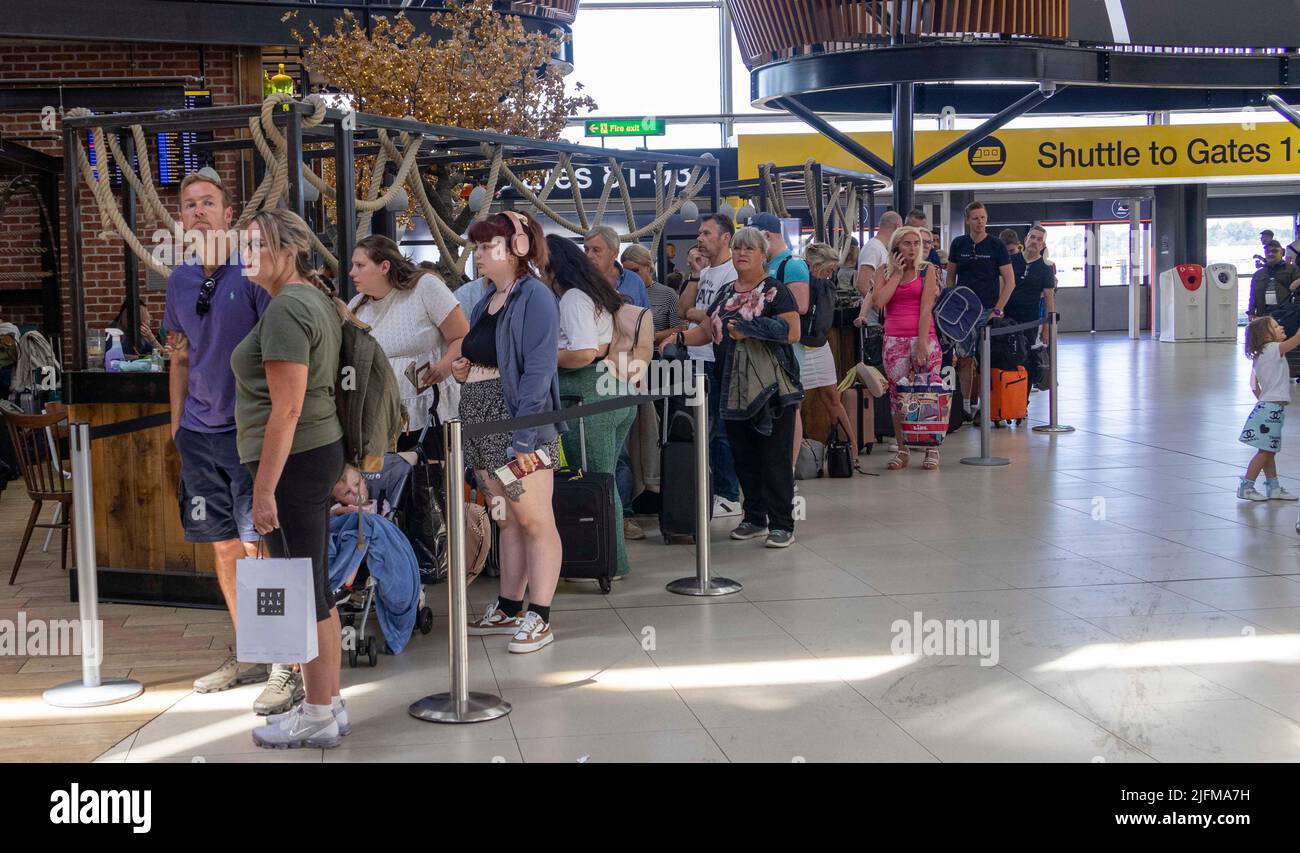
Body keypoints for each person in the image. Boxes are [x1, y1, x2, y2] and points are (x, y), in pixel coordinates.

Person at [162, 171, 287, 713]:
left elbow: (279, 354)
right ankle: (252, 650)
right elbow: (180, 355)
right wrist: (176, 424)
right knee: (224, 547)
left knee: (261, 547)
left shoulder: (254, 271)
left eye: (207, 202)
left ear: (227, 213)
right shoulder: (179, 281)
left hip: (249, 434)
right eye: (189, 205)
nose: (197, 212)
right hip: (199, 435)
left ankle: (285, 663)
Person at [233, 209, 347, 749]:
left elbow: (286, 410)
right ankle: (329, 703)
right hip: (313, 454)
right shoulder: (310, 300)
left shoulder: (287, 309)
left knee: (305, 593)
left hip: (294, 460)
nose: (245, 254)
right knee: (312, 585)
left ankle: (319, 712)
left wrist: (262, 491)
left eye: (255, 244)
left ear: (287, 248)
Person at [458, 211, 564, 654]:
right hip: (483, 420)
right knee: (509, 520)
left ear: (516, 247)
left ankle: (539, 615)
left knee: (535, 520)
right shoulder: (490, 298)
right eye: (477, 246)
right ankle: (509, 604)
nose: (478, 254)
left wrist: (523, 439)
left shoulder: (535, 297)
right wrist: (467, 370)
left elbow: (539, 371)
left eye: (487, 246)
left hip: (518, 425)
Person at [678, 226, 803, 547]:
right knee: (742, 457)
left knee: (773, 457)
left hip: (771, 390)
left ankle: (782, 523)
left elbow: (792, 331)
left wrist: (751, 328)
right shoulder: (725, 293)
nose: (741, 254)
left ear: (763, 254)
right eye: (737, 248)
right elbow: (705, 332)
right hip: (731, 388)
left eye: (749, 249)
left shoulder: (775, 290)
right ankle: (754, 516)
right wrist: (670, 336)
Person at [546, 235, 636, 579]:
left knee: (594, 481)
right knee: (604, 480)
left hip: (586, 395)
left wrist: (542, 359)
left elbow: (584, 351)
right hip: (612, 390)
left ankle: (607, 562)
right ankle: (608, 558)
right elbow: (600, 344)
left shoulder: (572, 298)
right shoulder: (594, 293)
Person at [347, 235, 469, 455]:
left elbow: (461, 336)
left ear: (384, 266)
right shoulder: (356, 306)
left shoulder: (425, 287)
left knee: (428, 483)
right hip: (377, 419)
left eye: (360, 265)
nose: (352, 273)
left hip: (430, 413)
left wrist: (443, 367)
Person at [678, 213, 741, 518]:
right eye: (700, 233)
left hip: (717, 361)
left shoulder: (732, 274)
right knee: (704, 429)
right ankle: (714, 488)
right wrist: (693, 274)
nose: (699, 238)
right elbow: (683, 308)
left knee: (720, 430)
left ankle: (728, 494)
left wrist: (696, 314)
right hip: (696, 358)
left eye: (706, 233)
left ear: (725, 237)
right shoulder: (706, 273)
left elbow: (713, 319)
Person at [874, 226, 943, 471]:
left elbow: (926, 308)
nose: (913, 248)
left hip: (924, 336)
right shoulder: (883, 271)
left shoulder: (928, 270)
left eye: (916, 243)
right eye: (907, 243)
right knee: (898, 396)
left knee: (928, 392)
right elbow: (879, 302)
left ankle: (931, 448)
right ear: (896, 247)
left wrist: (922, 342)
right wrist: (896, 274)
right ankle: (902, 449)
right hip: (894, 339)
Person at [751, 213, 812, 474]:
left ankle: (790, 465)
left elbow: (800, 306)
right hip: (765, 349)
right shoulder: (766, 265)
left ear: (767, 236)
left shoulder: (792, 265)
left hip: (788, 349)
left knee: (789, 408)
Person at [946, 201, 1015, 416]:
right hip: (964, 313)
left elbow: (1010, 281)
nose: (980, 222)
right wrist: (952, 307)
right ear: (967, 220)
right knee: (965, 359)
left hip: (987, 310)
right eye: (975, 218)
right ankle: (965, 406)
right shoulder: (958, 244)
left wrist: (998, 310)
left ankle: (984, 407)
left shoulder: (996, 245)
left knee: (986, 360)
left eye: (983, 218)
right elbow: (950, 279)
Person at [803, 242, 861, 470]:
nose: (830, 274)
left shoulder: (824, 285)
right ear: (816, 265)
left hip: (819, 347)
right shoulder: (800, 280)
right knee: (795, 404)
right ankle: (795, 457)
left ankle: (852, 448)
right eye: (827, 269)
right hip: (801, 348)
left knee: (833, 398)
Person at [1237, 315, 1300, 502]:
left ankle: (1273, 487)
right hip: (1270, 410)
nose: (1281, 327)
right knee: (1265, 452)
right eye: (1275, 326)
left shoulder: (1262, 354)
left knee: (1268, 451)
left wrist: (1264, 400)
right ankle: (1247, 486)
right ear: (1266, 336)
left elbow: (1254, 386)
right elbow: (1296, 341)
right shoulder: (1272, 349)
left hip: (1267, 408)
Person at [622, 243, 683, 351]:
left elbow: (679, 328)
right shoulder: (620, 293)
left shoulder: (667, 294)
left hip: (657, 355)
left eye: (635, 270)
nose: (631, 276)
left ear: (648, 267)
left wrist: (652, 336)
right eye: (626, 272)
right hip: (625, 354)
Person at [1007, 225, 1058, 350]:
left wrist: (1046, 328)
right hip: (1007, 318)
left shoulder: (1046, 267)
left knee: (1026, 357)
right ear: (1026, 239)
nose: (1035, 241)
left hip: (1030, 319)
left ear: (1043, 245)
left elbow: (1049, 300)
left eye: (1039, 239)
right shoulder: (1010, 261)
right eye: (1032, 237)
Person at [855, 211, 902, 326]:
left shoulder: (881, 249)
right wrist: (879, 308)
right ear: (897, 226)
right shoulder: (873, 248)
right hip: (875, 322)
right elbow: (862, 284)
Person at [585, 225, 649, 308]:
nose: (589, 255)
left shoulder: (635, 281)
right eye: (586, 249)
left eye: (596, 250)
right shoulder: (576, 281)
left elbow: (645, 317)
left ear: (614, 253)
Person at [1247, 240, 1300, 319]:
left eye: (1274, 251)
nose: (1270, 254)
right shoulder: (1258, 274)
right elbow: (1253, 295)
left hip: (1286, 315)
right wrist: (1251, 313)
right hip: (1263, 315)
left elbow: (1298, 293)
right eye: (1267, 252)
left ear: (1281, 252)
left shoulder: (1292, 270)